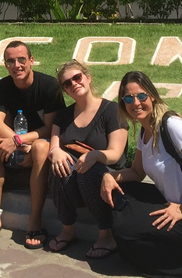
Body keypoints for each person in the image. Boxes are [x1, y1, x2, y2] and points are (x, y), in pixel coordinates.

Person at [101, 70, 182, 278]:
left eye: (141, 96)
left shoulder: (171, 125)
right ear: (123, 103)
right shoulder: (144, 131)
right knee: (120, 201)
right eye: (128, 98)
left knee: (126, 233)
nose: (136, 103)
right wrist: (110, 176)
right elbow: (136, 173)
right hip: (171, 203)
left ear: (152, 96)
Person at [0, 40, 65, 247]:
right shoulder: (3, 86)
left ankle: (34, 220)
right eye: (10, 61)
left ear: (31, 60)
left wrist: (18, 141)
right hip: (18, 145)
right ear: (6, 65)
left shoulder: (48, 85)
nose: (17, 65)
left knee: (40, 147)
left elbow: (52, 127)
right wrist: (18, 144)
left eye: (21, 60)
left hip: (39, 144)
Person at [48, 60, 128, 258]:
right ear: (65, 90)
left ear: (88, 78)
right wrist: (55, 151)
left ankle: (106, 235)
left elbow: (115, 154)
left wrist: (93, 155)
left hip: (109, 173)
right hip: (75, 176)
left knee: (87, 172)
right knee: (60, 167)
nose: (74, 84)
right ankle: (68, 230)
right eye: (67, 83)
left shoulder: (110, 110)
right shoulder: (64, 115)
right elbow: (53, 146)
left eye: (77, 77)